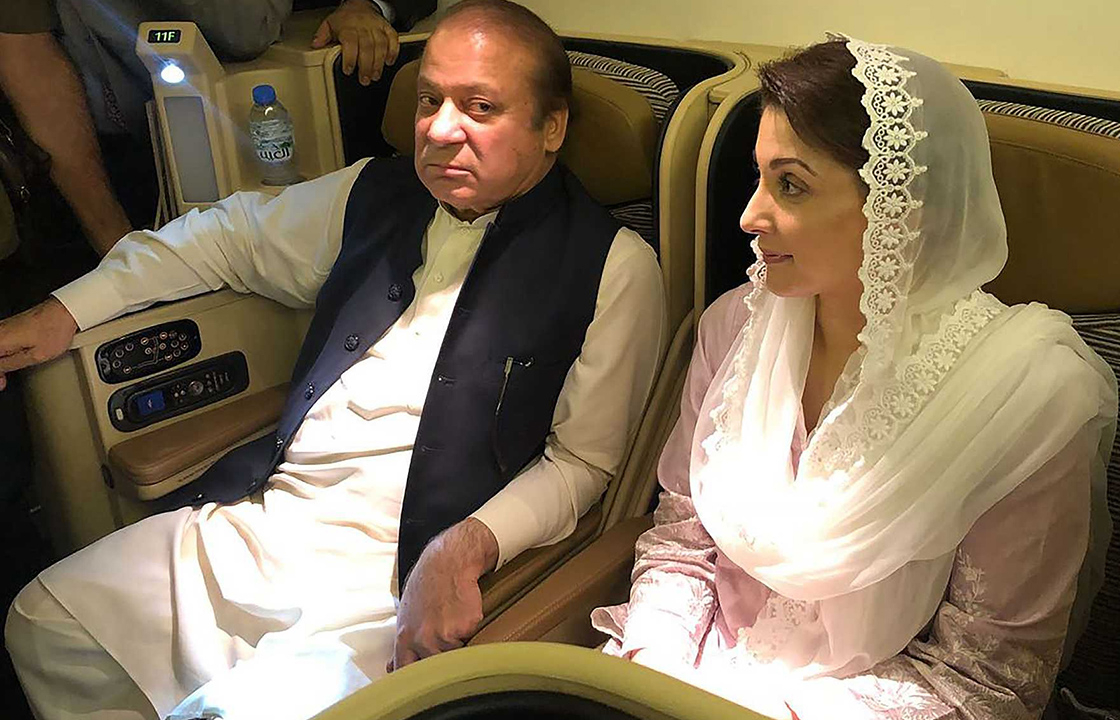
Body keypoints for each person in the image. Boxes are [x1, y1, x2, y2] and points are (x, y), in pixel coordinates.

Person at [1, 1, 666, 718]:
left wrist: (467, 547)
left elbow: (583, 464)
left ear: (552, 128)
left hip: (387, 577)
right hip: (268, 525)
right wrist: (67, 311)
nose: (442, 130)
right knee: (48, 621)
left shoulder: (614, 266)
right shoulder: (371, 193)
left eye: (480, 107)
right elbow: (224, 238)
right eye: (430, 101)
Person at [592, 37, 1117, 720]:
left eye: (790, 185)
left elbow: (986, 681)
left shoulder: (1026, 395)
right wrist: (654, 673)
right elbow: (682, 541)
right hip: (684, 675)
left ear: (901, 207)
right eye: (758, 178)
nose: (749, 217)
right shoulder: (733, 328)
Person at [0, 0, 436, 256]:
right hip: (116, 152)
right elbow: (30, 62)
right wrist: (118, 245)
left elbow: (246, 29)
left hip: (321, 120)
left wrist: (366, 4)